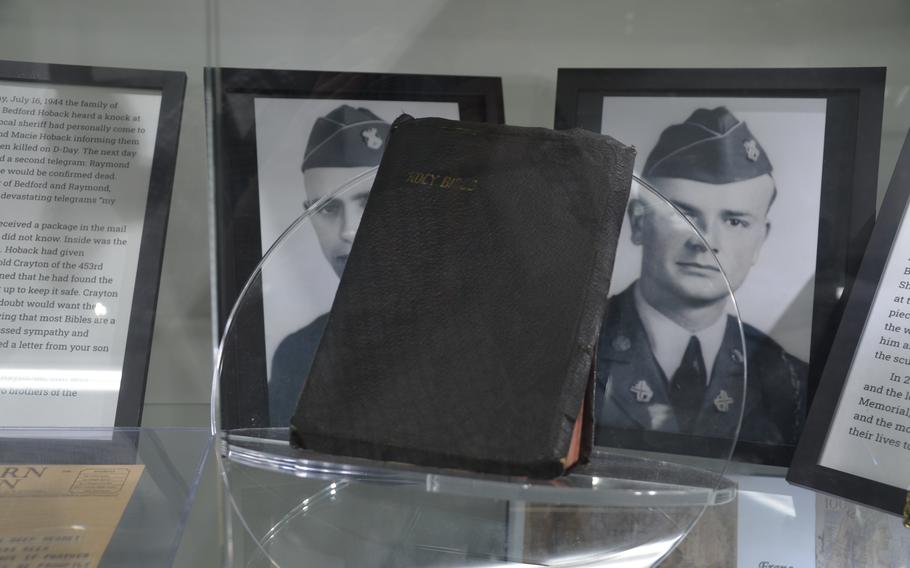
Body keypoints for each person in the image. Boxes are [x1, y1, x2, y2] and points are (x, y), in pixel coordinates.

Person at [596, 106, 807, 448]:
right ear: (638, 223)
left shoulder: (789, 379)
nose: (706, 242)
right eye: (682, 214)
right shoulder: (577, 348)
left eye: (735, 221)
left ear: (759, 242)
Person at [269, 104, 391, 426]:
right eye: (327, 209)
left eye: (370, 201)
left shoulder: (482, 331)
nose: (349, 230)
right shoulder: (298, 356)